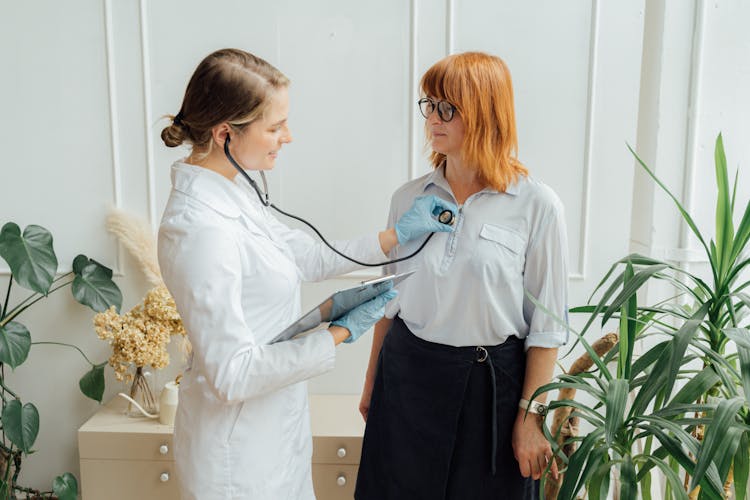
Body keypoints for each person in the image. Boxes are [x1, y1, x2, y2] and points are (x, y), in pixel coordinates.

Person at [156, 48, 456, 500]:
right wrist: (336, 333)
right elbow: (233, 374)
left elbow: (308, 257)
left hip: (272, 435)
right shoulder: (197, 229)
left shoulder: (234, 193)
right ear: (224, 134)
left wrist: (395, 235)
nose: (288, 137)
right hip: (236, 458)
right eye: (275, 127)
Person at [355, 51, 569, 500]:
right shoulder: (408, 198)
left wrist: (531, 416)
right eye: (428, 104)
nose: (432, 117)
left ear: (486, 111)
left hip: (491, 393)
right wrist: (372, 382)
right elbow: (387, 302)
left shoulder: (537, 205)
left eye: (446, 107)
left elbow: (547, 329)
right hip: (408, 380)